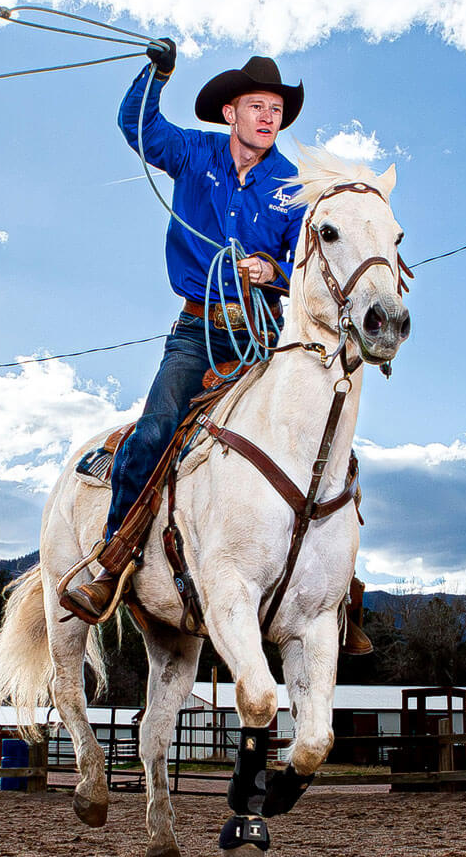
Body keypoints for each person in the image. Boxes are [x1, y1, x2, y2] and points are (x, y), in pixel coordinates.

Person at [60, 40, 373, 655]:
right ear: (229, 112)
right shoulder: (193, 153)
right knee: (154, 434)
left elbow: (307, 261)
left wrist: (275, 272)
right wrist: (159, 71)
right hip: (197, 330)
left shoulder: (293, 186)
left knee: (324, 444)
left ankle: (336, 591)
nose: (267, 117)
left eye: (276, 110)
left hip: (264, 332)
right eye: (256, 106)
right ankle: (114, 557)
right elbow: (137, 125)